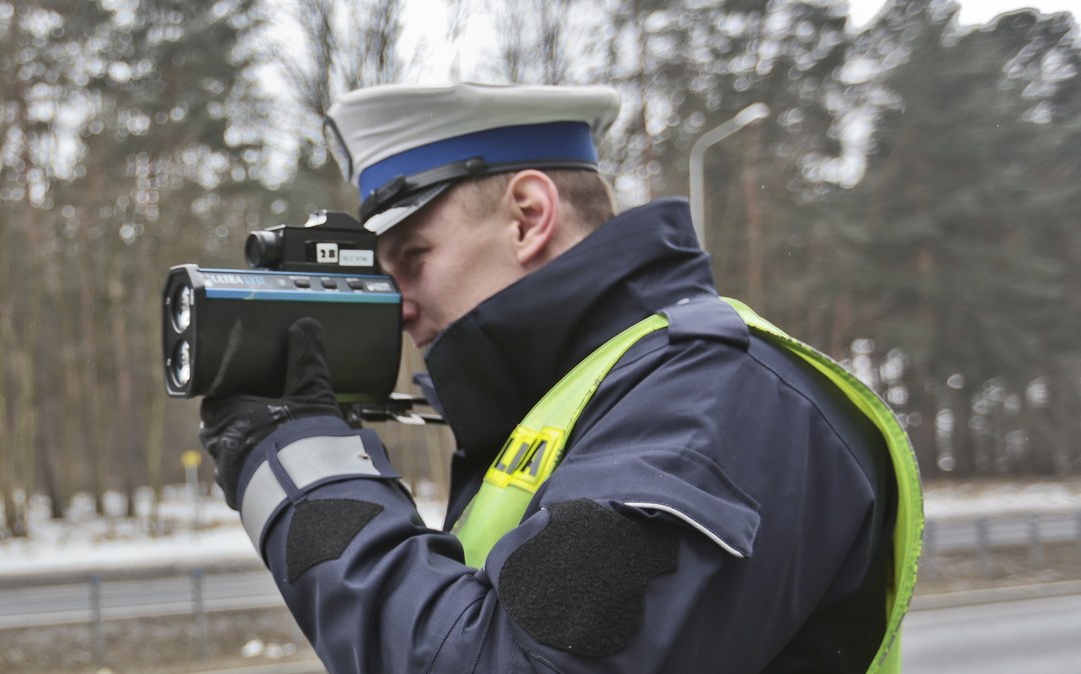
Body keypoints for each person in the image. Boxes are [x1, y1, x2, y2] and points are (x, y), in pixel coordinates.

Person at [198, 82, 924, 673]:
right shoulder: (578, 410)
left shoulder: (719, 399)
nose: (400, 307)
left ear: (528, 215)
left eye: (413, 257)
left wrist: (301, 467)